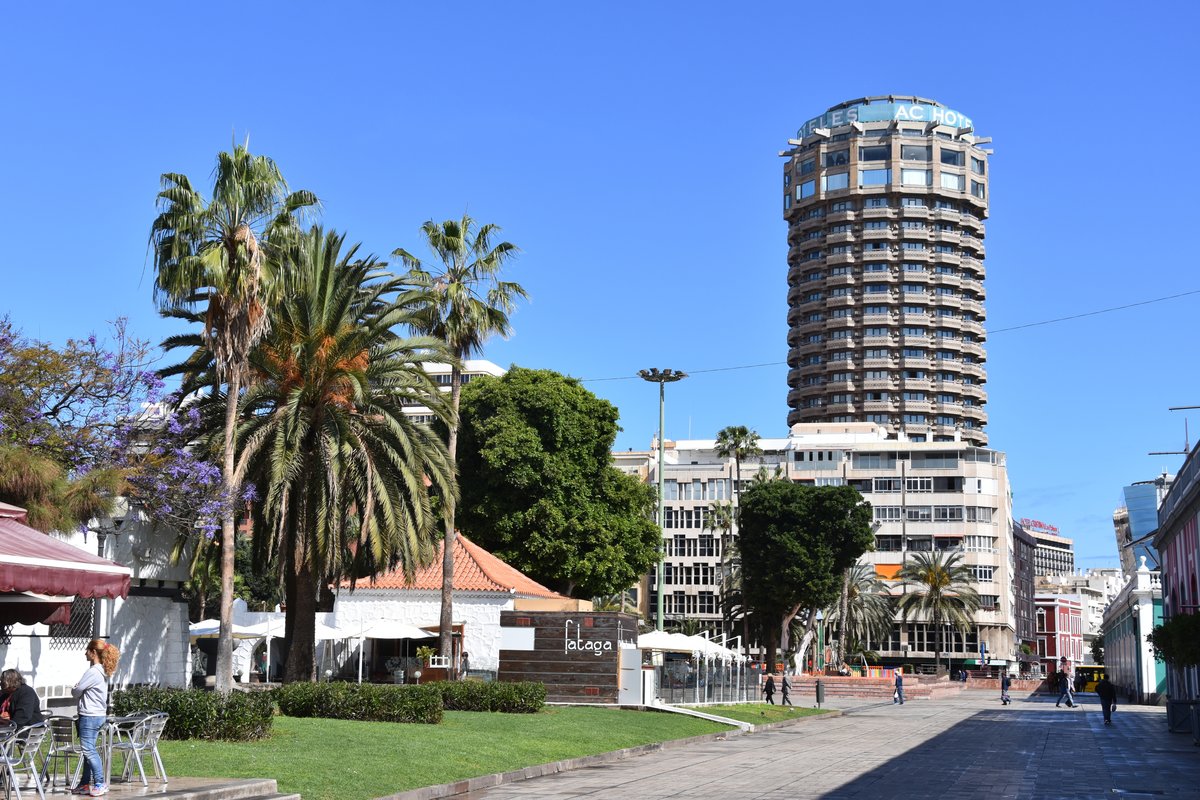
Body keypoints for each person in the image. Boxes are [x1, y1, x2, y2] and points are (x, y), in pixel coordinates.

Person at [72, 638, 120, 797]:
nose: (85, 652)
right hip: (99, 715)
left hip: (89, 716)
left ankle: (100, 783)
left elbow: (77, 692)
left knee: (89, 750)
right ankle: (85, 784)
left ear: (93, 653)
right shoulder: (104, 671)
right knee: (88, 750)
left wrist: (75, 688)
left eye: (87, 650)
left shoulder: (93, 671)